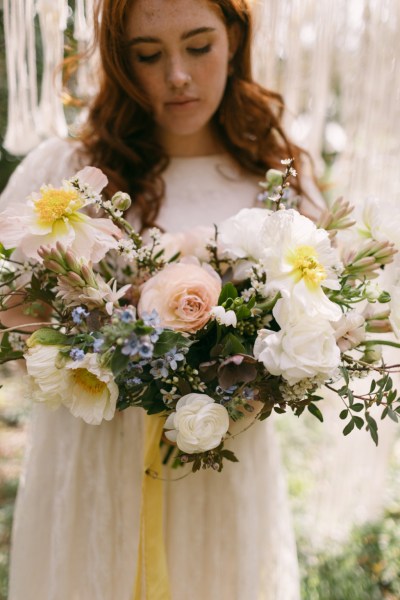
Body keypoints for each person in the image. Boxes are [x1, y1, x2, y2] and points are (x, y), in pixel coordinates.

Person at [2, 1, 323, 598]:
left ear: (233, 38)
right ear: (122, 63)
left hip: (221, 475)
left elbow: (326, 324)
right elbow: (10, 306)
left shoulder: (275, 180)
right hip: (93, 470)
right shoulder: (68, 173)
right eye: (148, 56)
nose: (177, 75)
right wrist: (95, 342)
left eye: (198, 47)